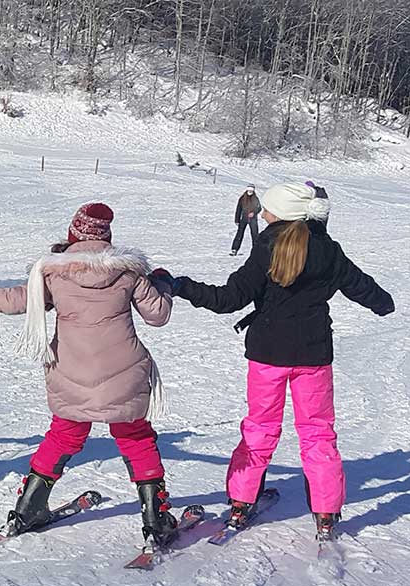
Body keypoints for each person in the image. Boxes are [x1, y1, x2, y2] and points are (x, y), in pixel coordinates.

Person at [155, 183, 394, 541]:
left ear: (282, 213)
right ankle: (326, 513)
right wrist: (383, 303)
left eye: (267, 210)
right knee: (317, 433)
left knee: (260, 429)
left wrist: (181, 285)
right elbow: (366, 290)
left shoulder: (267, 247)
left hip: (268, 355)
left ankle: (240, 502)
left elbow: (228, 298)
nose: (262, 214)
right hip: (313, 355)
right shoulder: (329, 251)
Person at [0, 203, 178, 547]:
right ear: (107, 236)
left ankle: (29, 508)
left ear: (73, 233)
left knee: (63, 435)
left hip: (71, 370)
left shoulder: (52, 272)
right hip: (125, 372)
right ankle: (155, 517)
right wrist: (161, 283)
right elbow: (158, 314)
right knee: (135, 437)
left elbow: (16, 301)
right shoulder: (129, 272)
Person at [232, 184, 262, 256]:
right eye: (249, 190)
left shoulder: (255, 198)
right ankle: (234, 249)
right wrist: (237, 219)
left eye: (251, 191)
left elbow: (259, 208)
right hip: (244, 218)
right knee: (239, 233)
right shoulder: (242, 198)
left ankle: (256, 250)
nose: (250, 192)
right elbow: (238, 209)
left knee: (255, 235)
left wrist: (254, 213)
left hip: (253, 219)